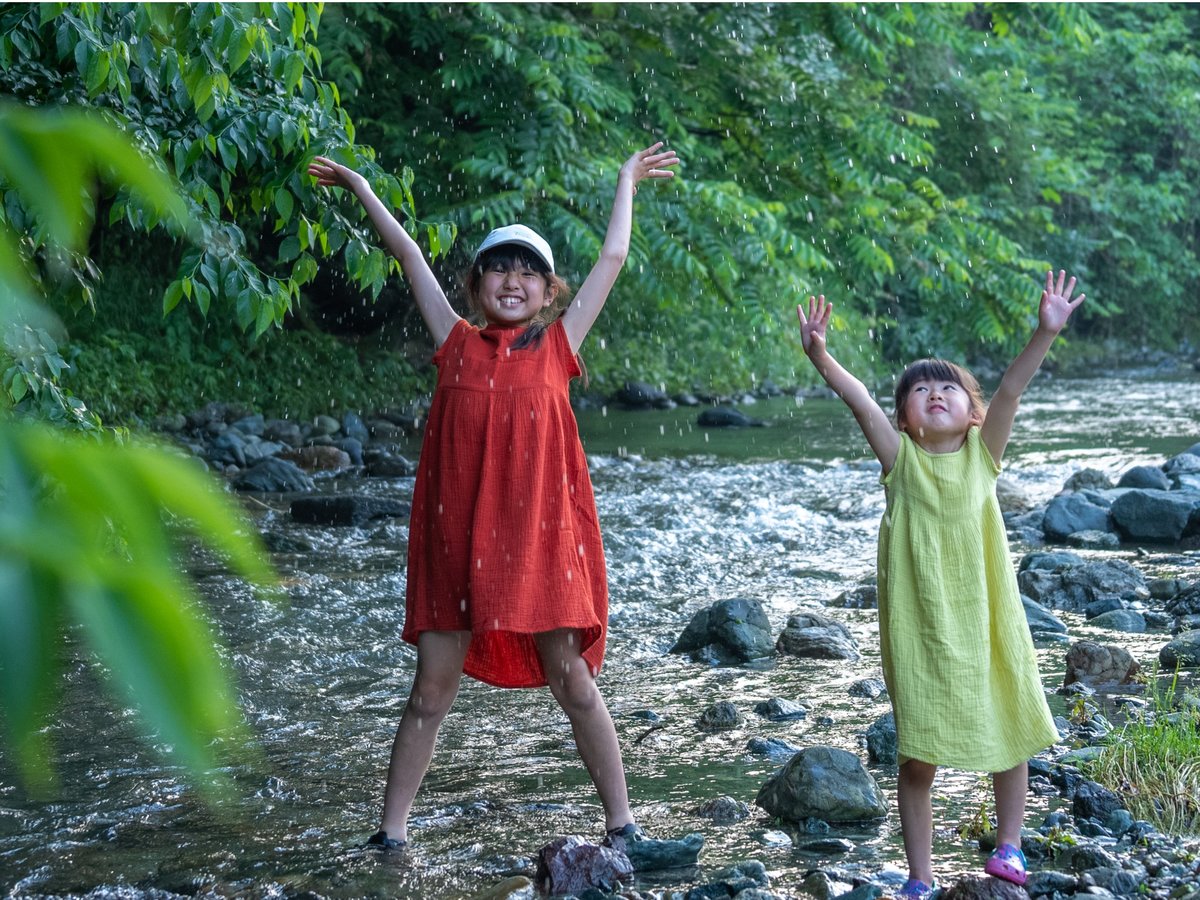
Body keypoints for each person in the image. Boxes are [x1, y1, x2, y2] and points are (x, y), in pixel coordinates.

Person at [306, 141, 679, 851]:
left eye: (529, 272)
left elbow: (612, 259)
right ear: (477, 285)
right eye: (499, 268)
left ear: (548, 293)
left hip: (540, 544)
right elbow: (407, 253)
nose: (513, 280)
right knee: (429, 691)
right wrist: (360, 188)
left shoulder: (559, 347)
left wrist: (626, 179)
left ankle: (623, 825)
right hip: (458, 544)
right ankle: (390, 835)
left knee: (573, 681)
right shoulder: (453, 342)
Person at [796, 271, 1084, 898]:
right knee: (918, 754)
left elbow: (1011, 388)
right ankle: (920, 877)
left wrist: (1044, 332)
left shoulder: (983, 455)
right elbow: (860, 401)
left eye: (948, 387)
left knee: (1011, 728)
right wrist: (822, 357)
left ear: (971, 413)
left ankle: (1010, 846)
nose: (934, 393)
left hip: (987, 620)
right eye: (919, 389)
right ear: (904, 419)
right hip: (922, 628)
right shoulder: (901, 463)